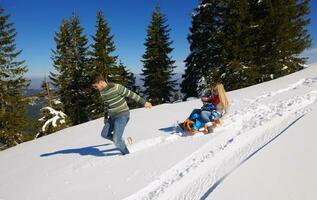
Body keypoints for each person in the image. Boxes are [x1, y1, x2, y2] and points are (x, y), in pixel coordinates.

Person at [92, 75, 152, 155]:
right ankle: (121, 141)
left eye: (96, 86)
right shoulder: (102, 92)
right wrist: (106, 117)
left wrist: (144, 102)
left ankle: (127, 155)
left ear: (101, 82)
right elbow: (106, 105)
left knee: (116, 139)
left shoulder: (116, 87)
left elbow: (131, 94)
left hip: (122, 115)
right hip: (112, 117)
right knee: (104, 134)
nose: (96, 88)